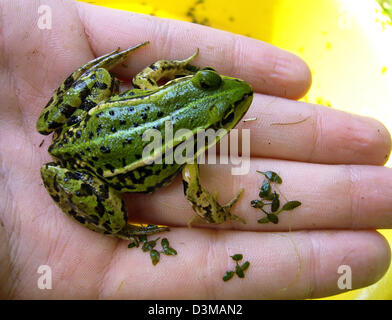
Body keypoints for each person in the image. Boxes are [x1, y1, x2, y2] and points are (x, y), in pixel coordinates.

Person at [0, 0, 390, 299]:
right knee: (117, 213)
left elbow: (147, 75)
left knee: (101, 78)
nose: (235, 91)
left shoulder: (159, 84)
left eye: (209, 82)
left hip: (78, 125)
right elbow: (198, 198)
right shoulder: (186, 158)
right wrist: (221, 213)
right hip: (90, 172)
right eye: (222, 112)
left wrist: (177, 70)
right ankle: (118, 229)